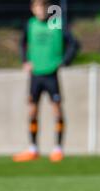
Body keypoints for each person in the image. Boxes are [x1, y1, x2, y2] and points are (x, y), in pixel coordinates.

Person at [13, 0, 79, 162]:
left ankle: (57, 148)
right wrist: (25, 60)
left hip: (51, 73)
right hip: (35, 75)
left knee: (56, 109)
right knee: (32, 110)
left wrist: (64, 61)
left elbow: (73, 44)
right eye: (37, 7)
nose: (40, 10)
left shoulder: (56, 24)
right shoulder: (31, 24)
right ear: (32, 9)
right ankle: (33, 148)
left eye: (43, 7)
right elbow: (22, 44)